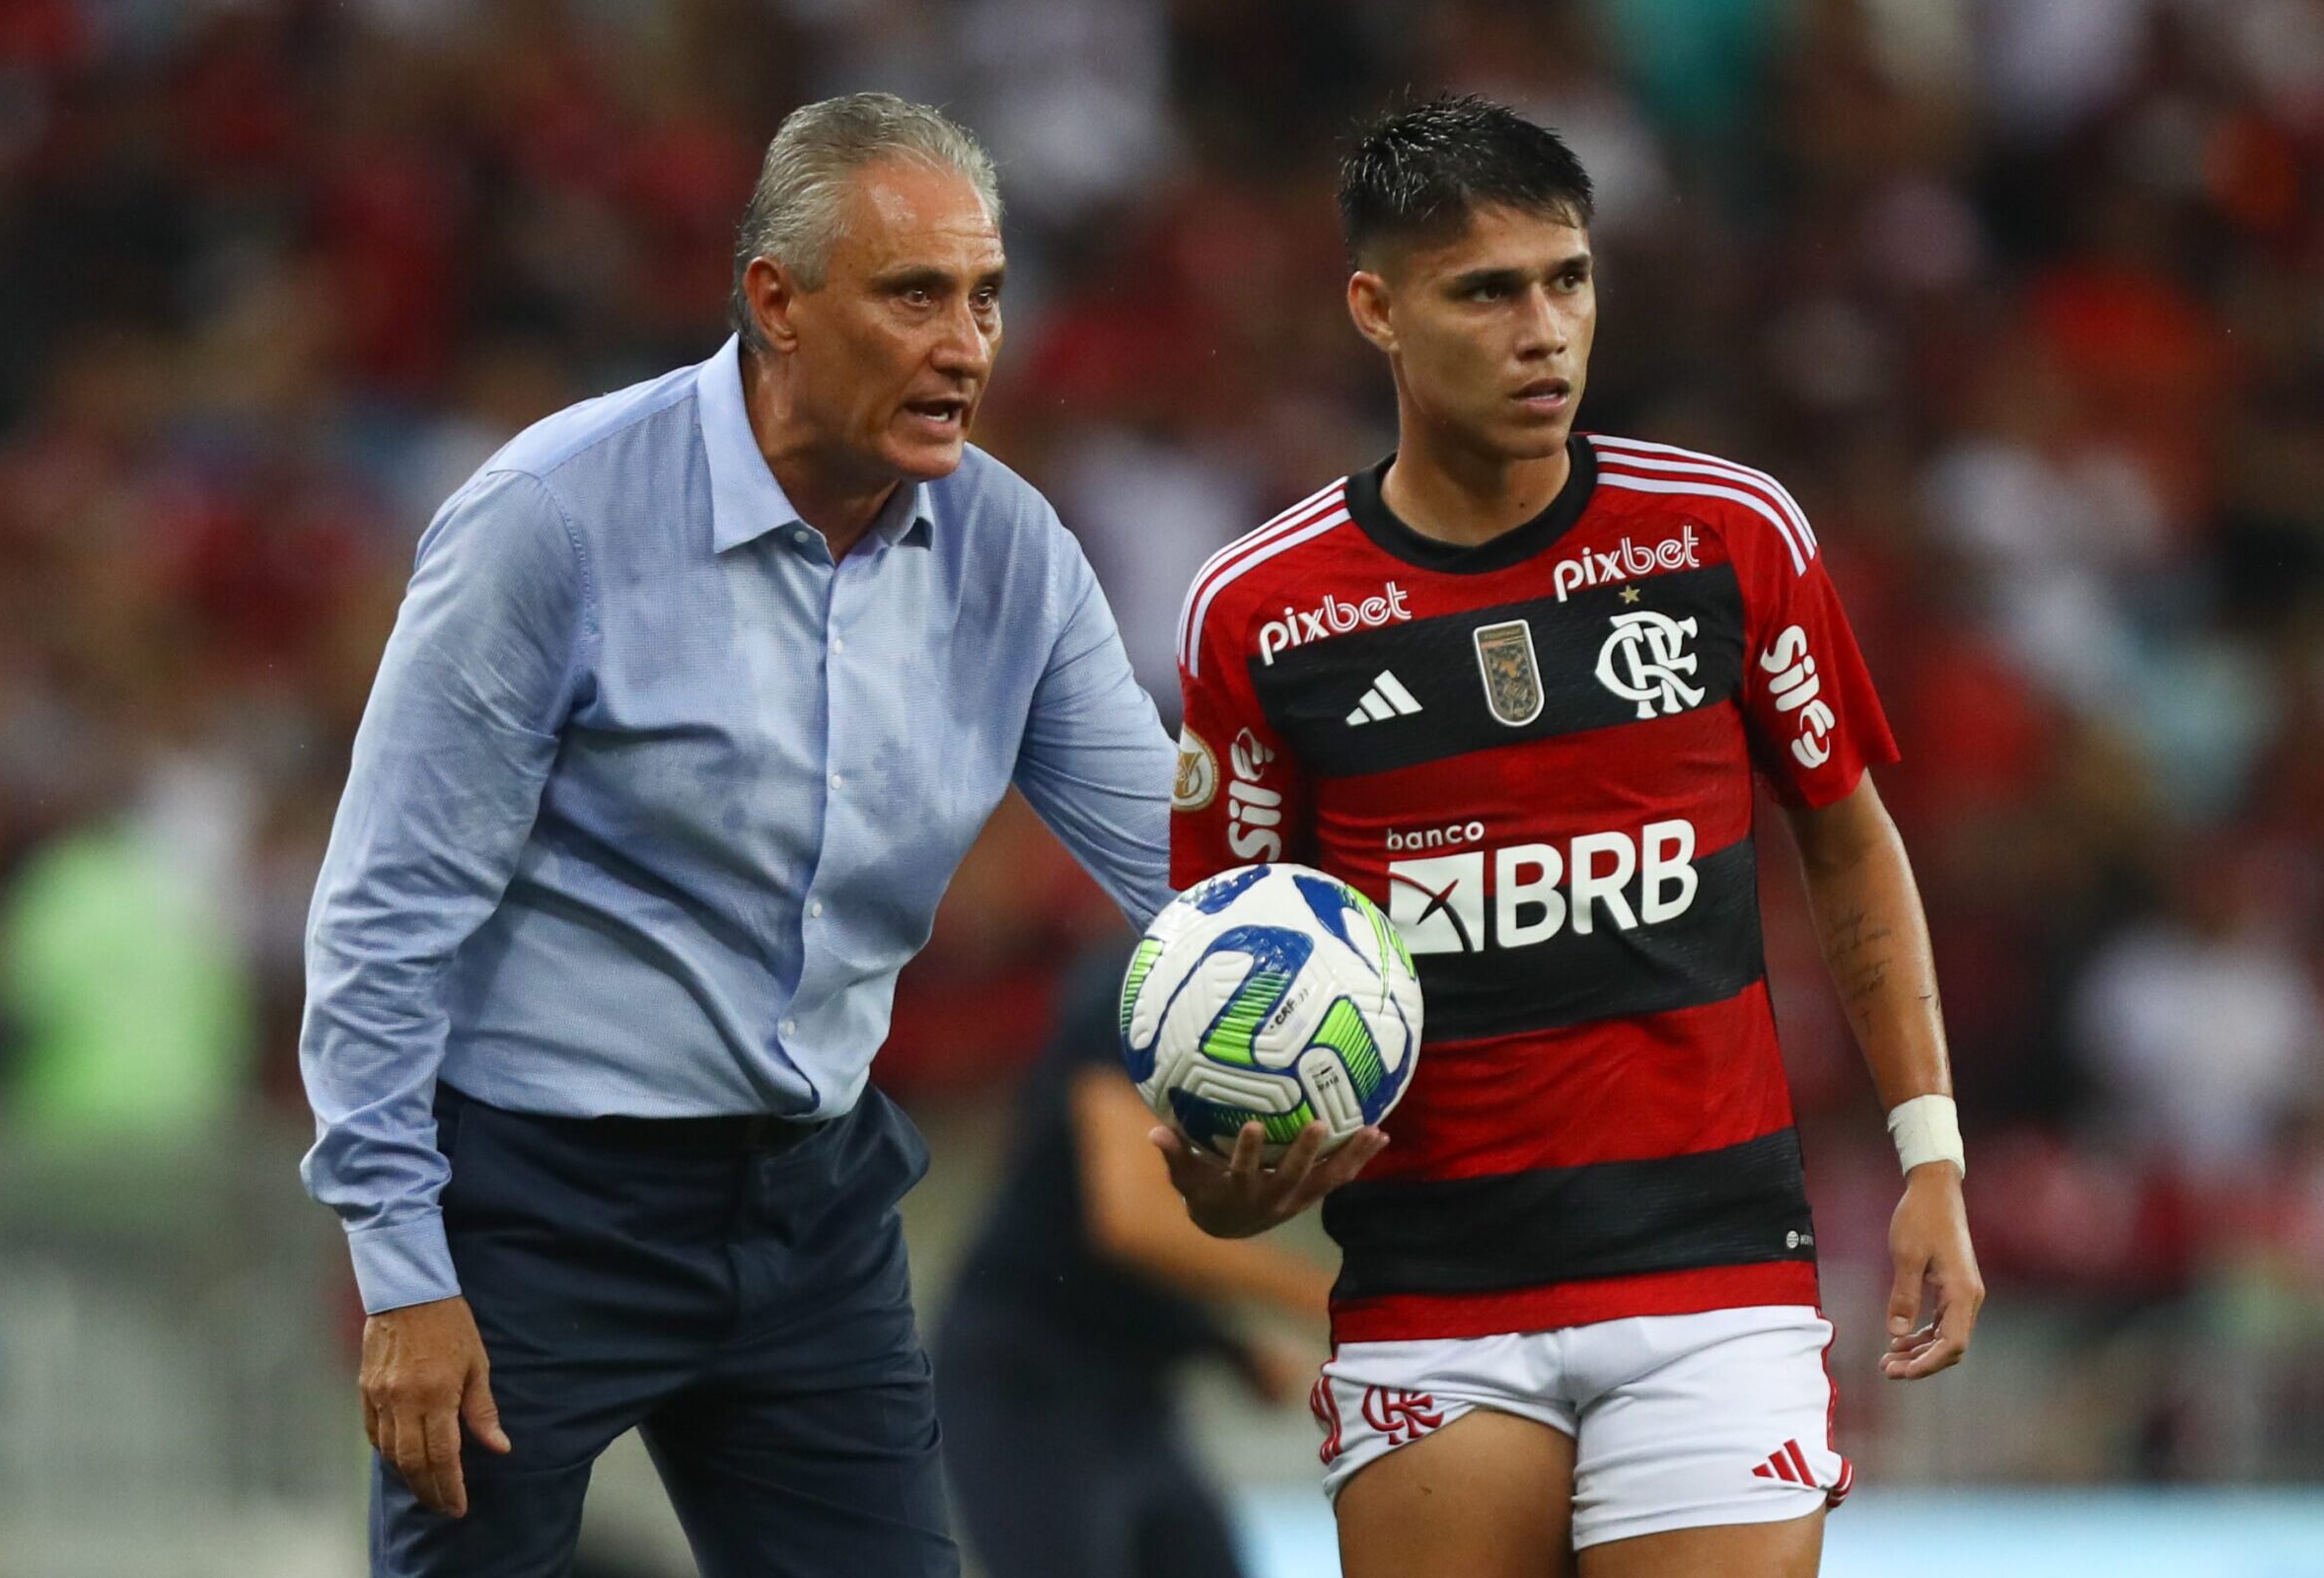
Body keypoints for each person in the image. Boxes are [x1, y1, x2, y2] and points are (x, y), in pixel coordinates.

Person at [297, 93, 1182, 1578]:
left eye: (985, 299)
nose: (964, 346)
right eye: (913, 296)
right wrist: (401, 1273)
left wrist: (1343, 1005)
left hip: (814, 1207)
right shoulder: (553, 519)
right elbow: (387, 914)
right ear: (776, 300)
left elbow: (1189, 868)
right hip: (535, 1209)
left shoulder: (1011, 552)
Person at [1159, 96, 1986, 1578]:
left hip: (1713, 1280)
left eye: (1570, 279)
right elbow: (1225, 962)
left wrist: (1930, 1150)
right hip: (1432, 1293)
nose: (1545, 328)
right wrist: (1229, 1176)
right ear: (1378, 310)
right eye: (1487, 290)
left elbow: (1850, 842)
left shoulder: (1730, 538)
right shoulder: (1262, 614)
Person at [935, 940, 1332, 1578]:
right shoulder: (1140, 987)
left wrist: (1223, 1344)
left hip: (1133, 1388)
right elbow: (1131, 1220)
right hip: (1023, 1381)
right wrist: (1339, 1299)